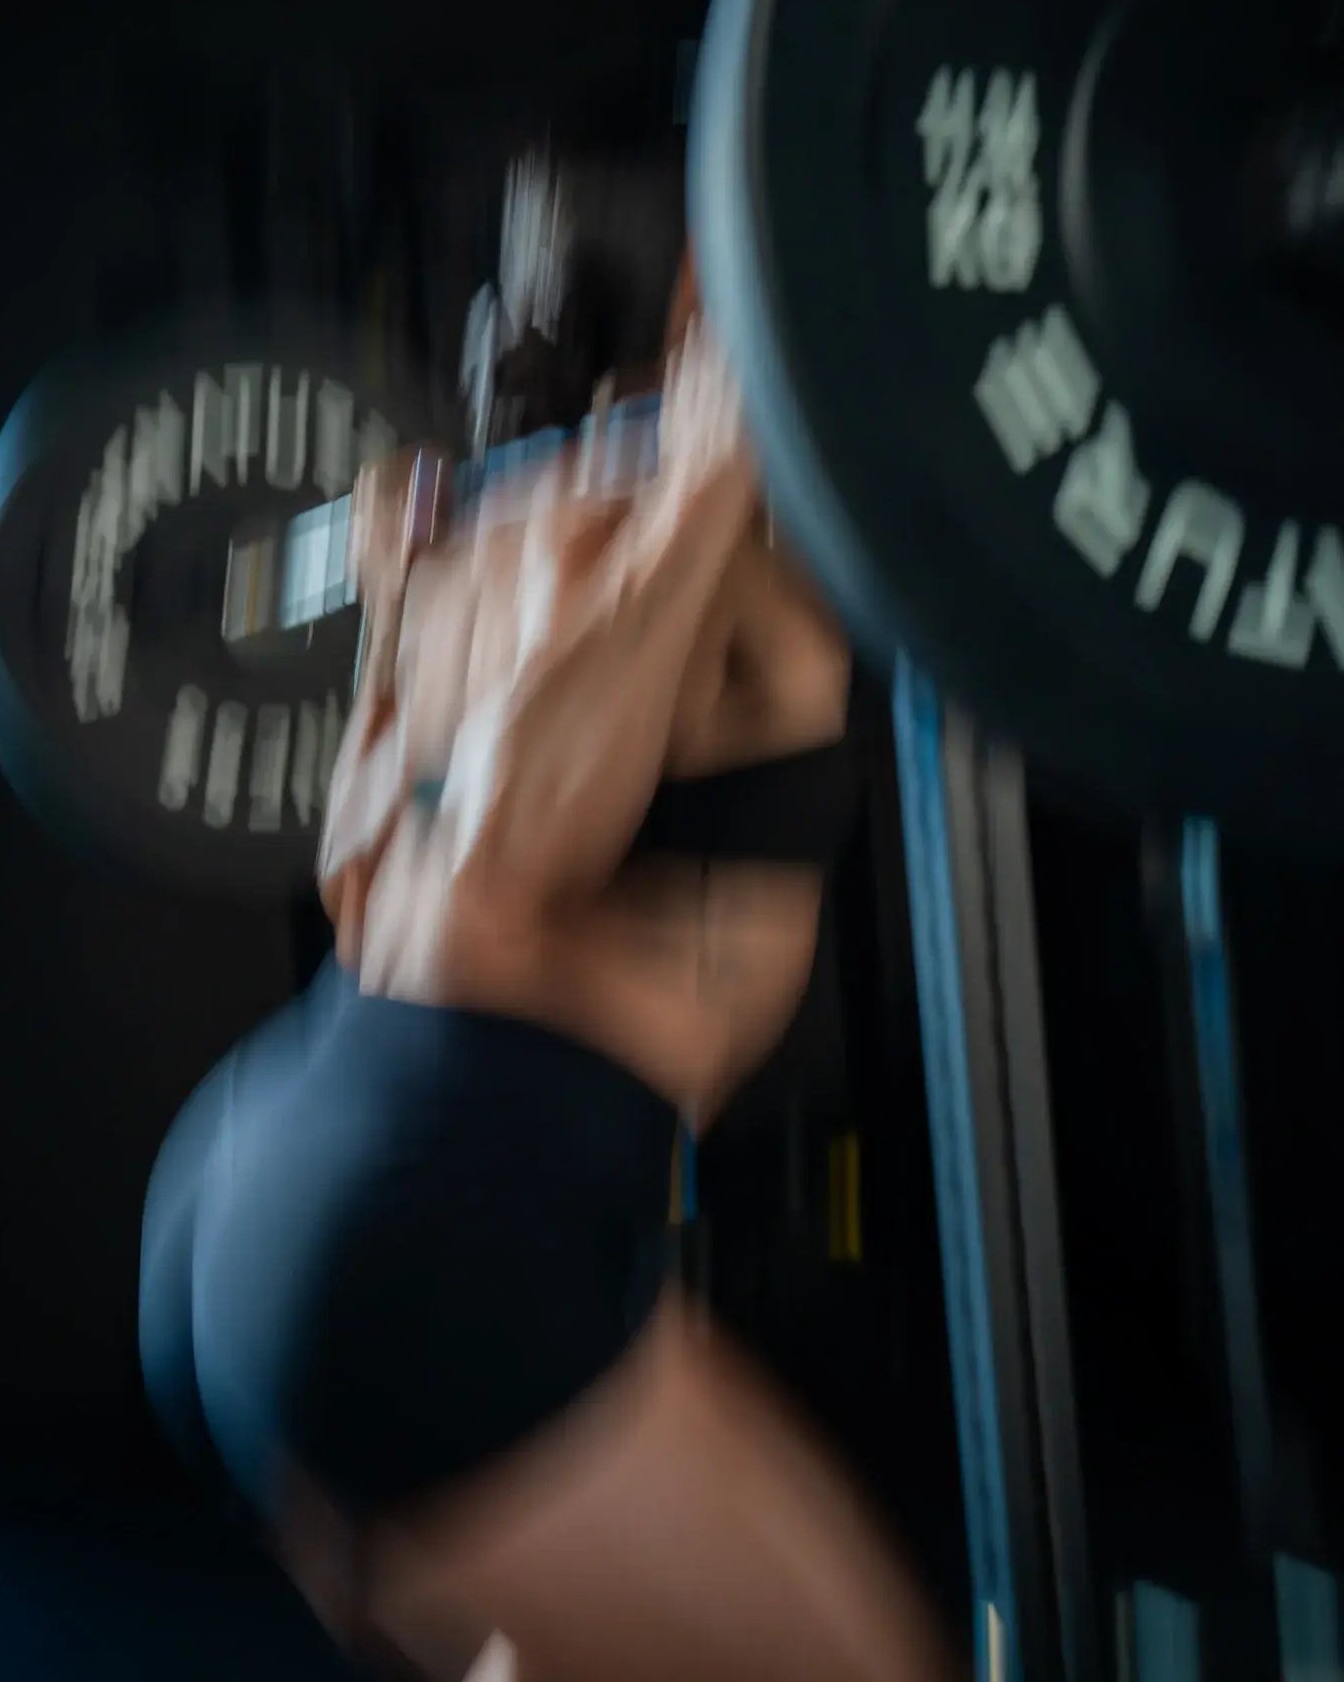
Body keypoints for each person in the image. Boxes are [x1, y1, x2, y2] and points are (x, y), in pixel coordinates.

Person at [139, 247, 959, 1681]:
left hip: (256, 1188)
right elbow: (500, 856)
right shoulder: (695, 535)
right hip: (422, 1228)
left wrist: (389, 626)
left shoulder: (457, 558)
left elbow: (355, 877)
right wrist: (702, 493)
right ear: (707, 312)